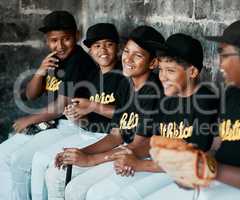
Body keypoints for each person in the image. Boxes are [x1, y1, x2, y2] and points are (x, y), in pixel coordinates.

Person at [145, 20, 240, 200]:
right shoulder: (233, 93)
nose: (220, 65)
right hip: (219, 183)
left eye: (224, 56)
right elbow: (220, 146)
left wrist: (209, 169)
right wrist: (192, 168)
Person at [84, 33, 220, 200]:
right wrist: (130, 155)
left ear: (191, 71)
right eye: (161, 69)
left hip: (191, 174)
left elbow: (192, 157)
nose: (162, 77)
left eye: (170, 70)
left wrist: (140, 164)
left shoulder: (205, 100)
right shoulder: (167, 95)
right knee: (101, 192)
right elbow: (152, 140)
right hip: (163, 164)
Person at [44, 25, 165, 200]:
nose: (128, 59)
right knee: (60, 176)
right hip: (123, 149)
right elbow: (116, 135)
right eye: (127, 52)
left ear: (153, 63)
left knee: (82, 191)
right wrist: (81, 152)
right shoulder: (127, 83)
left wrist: (90, 159)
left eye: (137, 55)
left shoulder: (152, 90)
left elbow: (137, 146)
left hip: (143, 157)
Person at [0, 10, 98, 200]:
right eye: (54, 40)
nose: (60, 45)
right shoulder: (55, 60)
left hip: (71, 125)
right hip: (52, 124)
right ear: (47, 40)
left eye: (66, 39)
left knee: (19, 161)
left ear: (77, 36)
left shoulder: (77, 60)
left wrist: (30, 119)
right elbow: (30, 94)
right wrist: (41, 71)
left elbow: (60, 107)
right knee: (2, 154)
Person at [30, 22, 124, 200]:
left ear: (118, 48)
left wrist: (92, 106)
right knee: (46, 163)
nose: (103, 50)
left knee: (58, 175)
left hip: (111, 139)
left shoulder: (124, 76)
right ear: (90, 50)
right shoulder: (92, 77)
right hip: (88, 133)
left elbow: (127, 115)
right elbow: (86, 122)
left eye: (109, 44)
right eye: (96, 46)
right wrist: (75, 116)